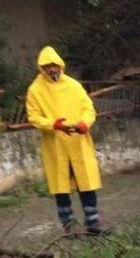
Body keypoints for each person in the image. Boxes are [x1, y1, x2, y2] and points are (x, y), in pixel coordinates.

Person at [26, 46, 103, 233]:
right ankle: (68, 225)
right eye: (47, 66)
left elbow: (88, 108)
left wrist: (85, 123)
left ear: (61, 65)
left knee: (87, 184)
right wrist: (54, 124)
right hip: (56, 145)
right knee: (61, 188)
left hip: (78, 142)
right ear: (41, 68)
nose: (52, 69)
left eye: (54, 65)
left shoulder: (74, 85)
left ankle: (93, 223)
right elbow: (34, 117)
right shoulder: (35, 90)